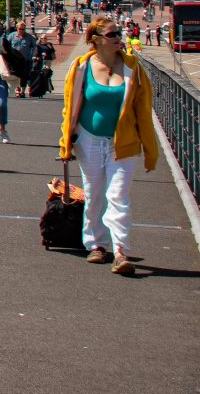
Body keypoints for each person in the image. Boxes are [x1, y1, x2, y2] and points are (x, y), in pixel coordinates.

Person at [58, 17, 159, 276]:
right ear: (96, 39)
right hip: (88, 139)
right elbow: (70, 109)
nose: (119, 37)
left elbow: (143, 111)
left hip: (123, 141)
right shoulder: (81, 67)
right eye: (112, 34)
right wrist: (65, 144)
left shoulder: (133, 68)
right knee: (94, 193)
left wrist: (151, 150)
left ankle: (121, 251)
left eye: (119, 33)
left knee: (118, 196)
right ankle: (96, 244)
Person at [8, 20, 39, 98]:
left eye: (23, 29)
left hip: (26, 59)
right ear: (17, 28)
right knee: (15, 74)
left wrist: (34, 55)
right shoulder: (12, 36)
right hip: (14, 60)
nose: (21, 31)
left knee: (24, 76)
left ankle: (22, 91)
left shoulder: (29, 37)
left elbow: (34, 47)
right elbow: (6, 46)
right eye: (20, 29)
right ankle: (17, 89)